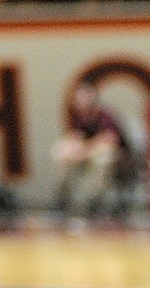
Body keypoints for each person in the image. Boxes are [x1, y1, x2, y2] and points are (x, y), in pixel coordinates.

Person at [53, 83, 129, 217]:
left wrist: (86, 150)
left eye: (85, 97)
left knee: (102, 158)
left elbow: (110, 139)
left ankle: (93, 202)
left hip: (113, 156)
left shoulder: (104, 115)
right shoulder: (76, 116)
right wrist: (74, 150)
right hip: (86, 153)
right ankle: (62, 199)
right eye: (79, 98)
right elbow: (75, 136)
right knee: (62, 152)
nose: (82, 101)